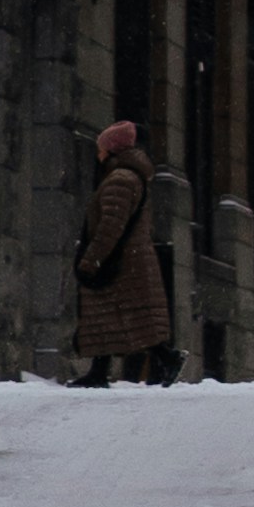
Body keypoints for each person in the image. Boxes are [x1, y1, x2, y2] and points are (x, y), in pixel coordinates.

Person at [72, 115, 174, 384]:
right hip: (128, 259)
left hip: (121, 262)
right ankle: (99, 371)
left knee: (121, 316)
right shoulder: (126, 176)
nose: (98, 152)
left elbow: (110, 227)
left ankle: (167, 358)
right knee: (120, 318)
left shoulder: (121, 179)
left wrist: (91, 259)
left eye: (101, 147)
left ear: (112, 149)